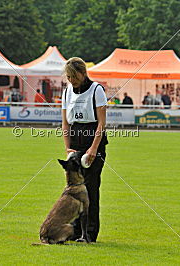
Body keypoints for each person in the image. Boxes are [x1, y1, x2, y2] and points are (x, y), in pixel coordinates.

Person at [62, 57, 108, 242]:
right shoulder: (67, 92)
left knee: (90, 189)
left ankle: (89, 232)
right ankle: (75, 231)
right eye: (68, 77)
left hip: (93, 142)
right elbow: (65, 123)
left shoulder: (97, 90)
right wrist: (68, 149)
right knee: (74, 189)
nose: (71, 80)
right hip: (75, 143)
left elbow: (101, 123)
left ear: (82, 73)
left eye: (74, 76)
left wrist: (93, 149)